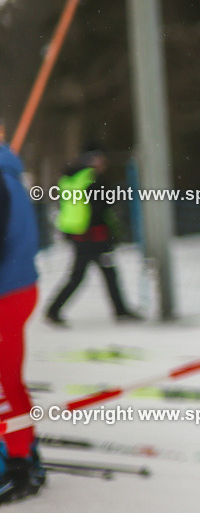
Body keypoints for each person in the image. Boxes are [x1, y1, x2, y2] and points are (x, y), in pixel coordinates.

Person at [45, 147, 141, 325]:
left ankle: (119, 310)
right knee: (90, 274)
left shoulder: (69, 178)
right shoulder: (93, 179)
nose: (104, 164)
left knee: (100, 274)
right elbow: (102, 207)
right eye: (101, 159)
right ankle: (54, 309)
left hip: (78, 234)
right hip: (95, 236)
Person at [0, 143, 46, 503]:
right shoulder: (9, 172)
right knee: (8, 379)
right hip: (17, 288)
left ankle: (18, 463)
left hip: (7, 293)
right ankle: (25, 451)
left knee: (4, 384)